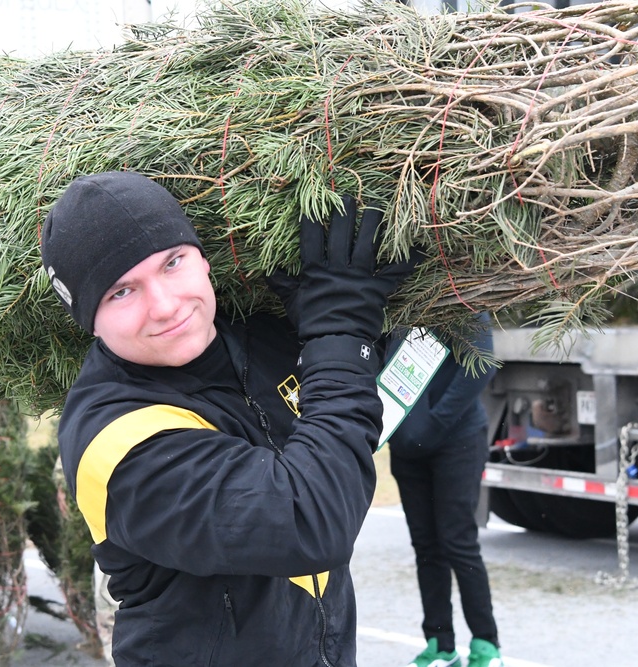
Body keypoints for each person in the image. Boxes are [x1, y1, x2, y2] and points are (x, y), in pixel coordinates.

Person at [40, 170, 418, 666]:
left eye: (172, 263)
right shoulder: (114, 442)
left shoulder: (254, 336)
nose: (166, 305)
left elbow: (353, 418)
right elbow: (311, 520)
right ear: (90, 320)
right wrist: (339, 333)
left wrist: (358, 312)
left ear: (203, 259)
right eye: (122, 292)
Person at [386, 314, 505, 667]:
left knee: (458, 541)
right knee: (426, 546)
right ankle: (440, 644)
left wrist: (433, 425)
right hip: (407, 446)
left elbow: (481, 366)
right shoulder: (395, 299)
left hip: (457, 440)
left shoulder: (461, 295)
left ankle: (486, 643)